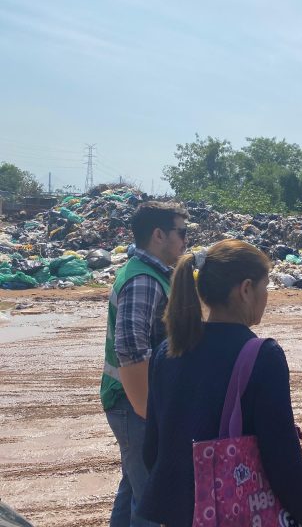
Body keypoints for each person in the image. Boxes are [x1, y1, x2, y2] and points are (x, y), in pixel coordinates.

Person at [139, 239, 302, 527]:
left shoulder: (167, 351)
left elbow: (152, 451)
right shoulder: (263, 356)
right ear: (245, 289)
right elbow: (284, 465)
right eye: (265, 286)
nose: (266, 295)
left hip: (180, 515)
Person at [101, 201, 188, 527]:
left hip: (135, 402)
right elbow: (131, 350)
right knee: (152, 501)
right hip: (133, 404)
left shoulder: (152, 274)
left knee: (134, 488)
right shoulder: (143, 281)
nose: (185, 241)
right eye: (181, 233)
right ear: (158, 235)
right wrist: (150, 412)